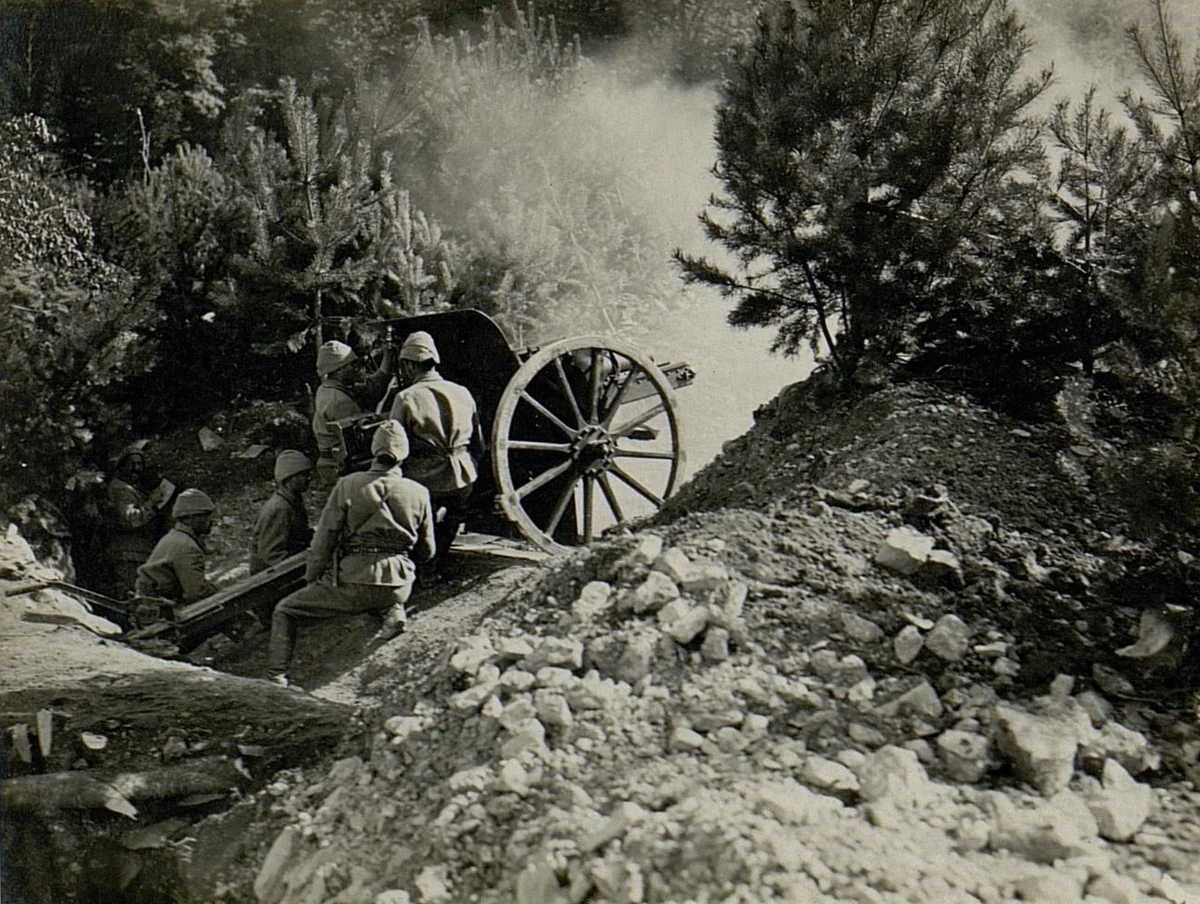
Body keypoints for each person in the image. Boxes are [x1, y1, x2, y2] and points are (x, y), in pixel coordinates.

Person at [266, 420, 434, 689]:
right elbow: (427, 551)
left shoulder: (347, 485)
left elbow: (324, 540)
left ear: (374, 450)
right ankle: (392, 609)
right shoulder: (420, 493)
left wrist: (312, 576)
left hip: (354, 582)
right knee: (380, 594)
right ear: (405, 453)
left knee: (285, 610)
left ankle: (276, 676)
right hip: (399, 585)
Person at [388, 330, 486, 579]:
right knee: (453, 515)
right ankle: (440, 558)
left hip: (424, 479)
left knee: (422, 518)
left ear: (409, 365)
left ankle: (427, 568)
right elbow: (480, 443)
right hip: (464, 475)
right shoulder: (463, 392)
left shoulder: (405, 397)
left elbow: (396, 447)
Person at [311, 339, 394, 487]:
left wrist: (387, 358)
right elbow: (364, 434)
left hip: (331, 464)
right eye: (353, 365)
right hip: (342, 466)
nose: (357, 369)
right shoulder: (339, 400)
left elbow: (370, 389)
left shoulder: (327, 388)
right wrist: (395, 415)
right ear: (339, 370)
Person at [103, 443, 170, 598]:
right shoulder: (120, 489)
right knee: (134, 596)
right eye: (131, 464)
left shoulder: (131, 488)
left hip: (138, 552)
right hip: (129, 554)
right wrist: (151, 503)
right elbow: (131, 518)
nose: (136, 468)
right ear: (122, 466)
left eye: (139, 464)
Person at [134, 489, 217, 604]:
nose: (211, 520)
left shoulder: (175, 536)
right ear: (191, 518)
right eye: (206, 515)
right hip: (161, 609)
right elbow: (196, 593)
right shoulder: (187, 547)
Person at [249, 450, 314, 575]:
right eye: (305, 475)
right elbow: (272, 555)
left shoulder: (292, 500)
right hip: (270, 579)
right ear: (290, 478)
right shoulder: (279, 508)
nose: (309, 478)